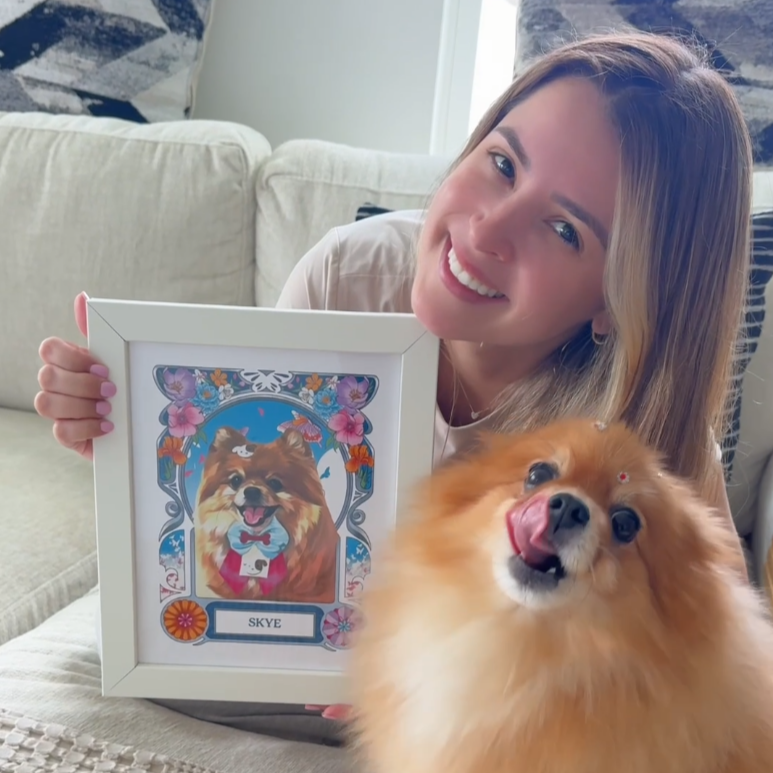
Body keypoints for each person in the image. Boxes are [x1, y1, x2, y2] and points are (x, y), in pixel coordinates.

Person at [34, 30, 752, 742]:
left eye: (563, 230)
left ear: (616, 299)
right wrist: (141, 444)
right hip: (279, 680)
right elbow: (249, 501)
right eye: (501, 163)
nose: (486, 231)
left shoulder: (643, 442)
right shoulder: (346, 276)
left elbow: (702, 684)